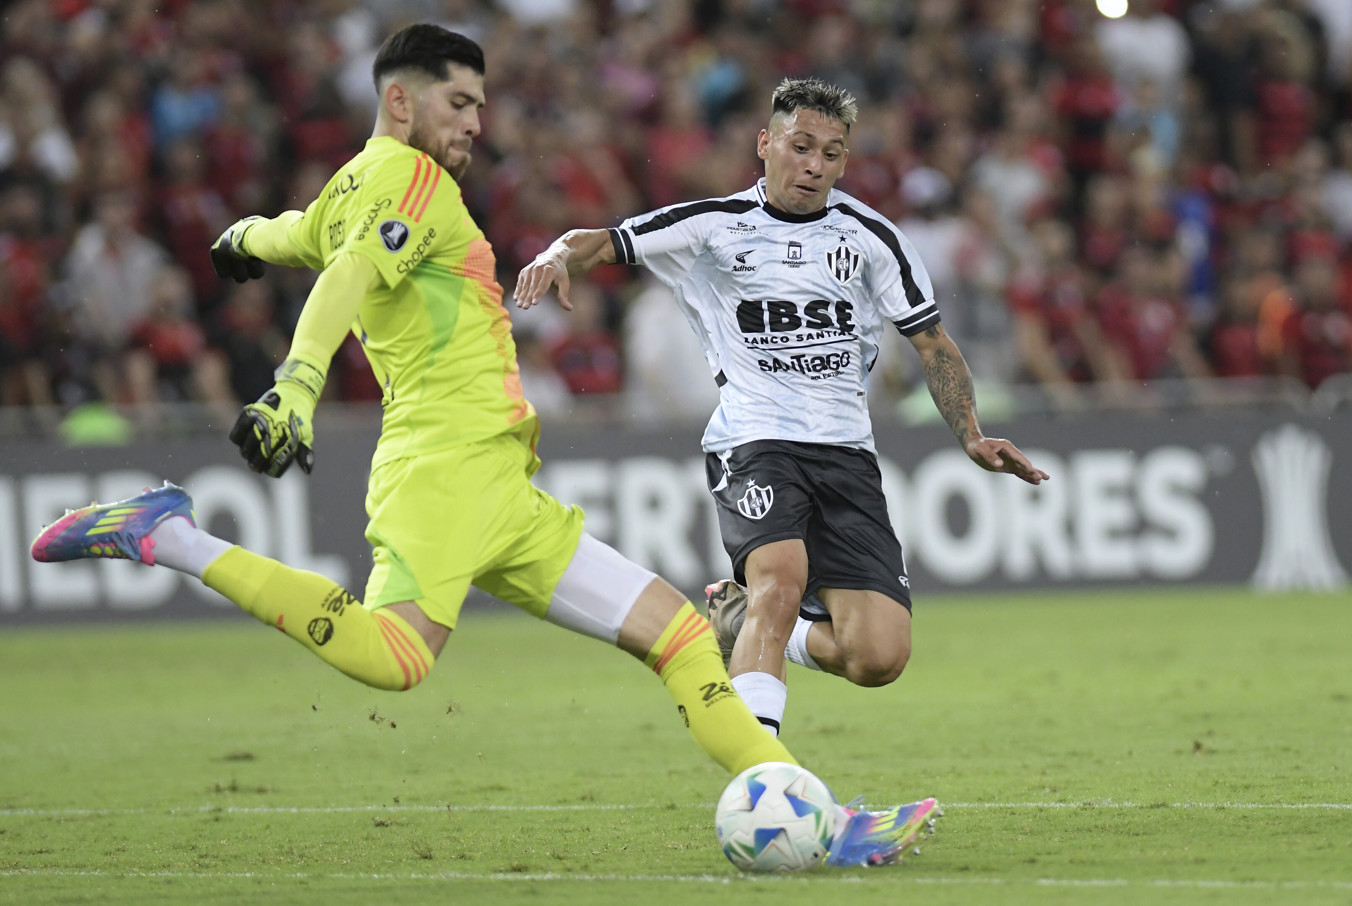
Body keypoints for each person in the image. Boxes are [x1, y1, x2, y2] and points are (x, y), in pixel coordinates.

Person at [29, 26, 937, 868]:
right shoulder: (414, 184)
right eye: (460, 103)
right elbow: (343, 274)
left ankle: (816, 814)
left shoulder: (356, 184)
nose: (476, 121)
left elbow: (298, 238)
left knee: (685, 639)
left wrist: (239, 241)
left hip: (502, 483)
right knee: (396, 658)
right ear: (401, 103)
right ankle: (170, 537)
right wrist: (296, 387)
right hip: (445, 466)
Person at [515, 77, 1049, 740]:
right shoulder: (711, 227)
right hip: (754, 439)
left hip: (847, 451)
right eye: (800, 147)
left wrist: (970, 434)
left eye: (830, 153)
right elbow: (602, 239)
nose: (814, 165)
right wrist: (556, 254)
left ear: (844, 161)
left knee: (878, 656)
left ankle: (734, 622)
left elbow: (932, 343)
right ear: (765, 143)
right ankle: (762, 776)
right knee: (781, 581)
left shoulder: (873, 239)